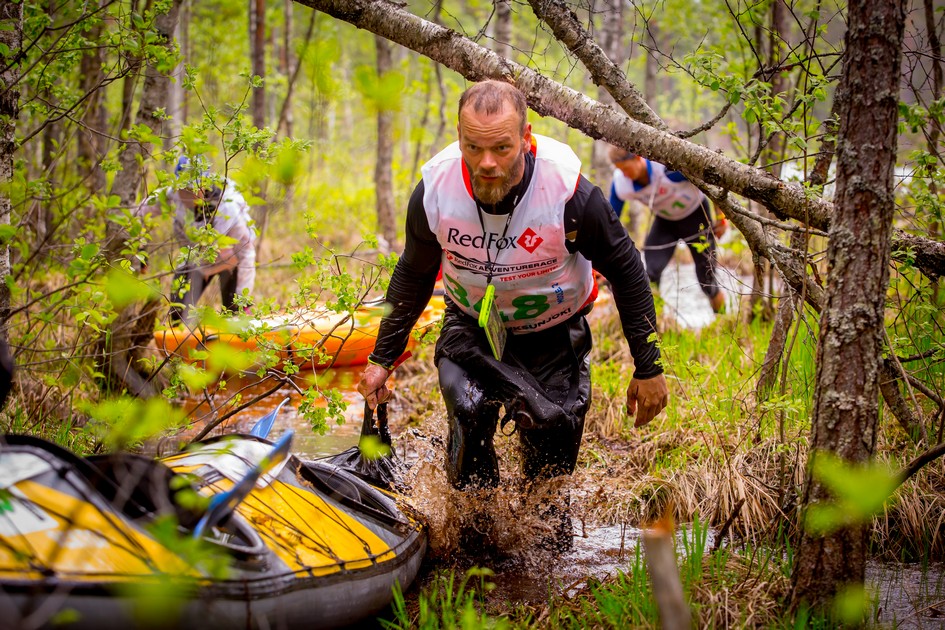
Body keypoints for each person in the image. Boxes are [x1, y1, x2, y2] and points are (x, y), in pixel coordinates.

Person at [358, 80, 668, 521]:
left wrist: (648, 365)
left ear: (526, 137)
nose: (487, 164)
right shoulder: (435, 190)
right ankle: (476, 534)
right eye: (473, 147)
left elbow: (627, 268)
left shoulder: (570, 193)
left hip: (555, 335)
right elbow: (414, 272)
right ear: (459, 137)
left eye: (502, 149)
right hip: (472, 329)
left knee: (551, 461)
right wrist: (382, 358)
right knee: (468, 411)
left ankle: (538, 551)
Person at [136, 156, 256, 324]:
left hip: (232, 258)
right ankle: (181, 340)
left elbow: (235, 254)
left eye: (192, 188)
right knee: (178, 309)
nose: (187, 193)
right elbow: (137, 213)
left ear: (204, 185)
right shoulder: (170, 194)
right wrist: (140, 248)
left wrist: (242, 298)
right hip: (195, 255)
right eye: (183, 188)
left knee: (235, 311)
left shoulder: (226, 206)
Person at [607, 146, 727, 313]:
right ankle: (656, 320)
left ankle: (723, 320)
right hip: (666, 223)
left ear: (637, 158)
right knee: (651, 273)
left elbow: (712, 181)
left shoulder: (666, 168)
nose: (625, 175)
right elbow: (610, 219)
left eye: (626, 169)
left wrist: (720, 217)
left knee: (707, 280)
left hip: (696, 217)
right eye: (620, 170)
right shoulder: (621, 183)